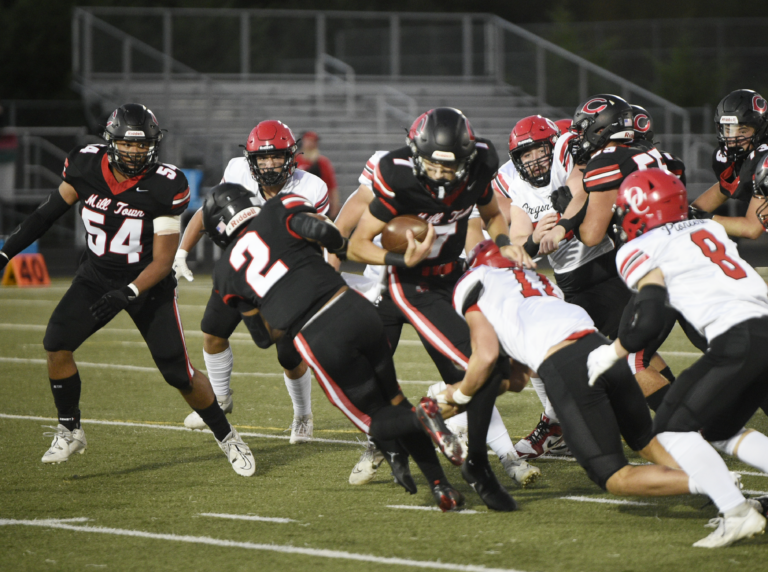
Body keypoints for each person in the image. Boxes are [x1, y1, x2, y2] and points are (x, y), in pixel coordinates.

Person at [0, 104, 254, 476]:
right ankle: (70, 429)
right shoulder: (85, 165)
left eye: (143, 145)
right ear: (110, 141)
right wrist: (6, 251)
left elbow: (163, 262)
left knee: (178, 373)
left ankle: (228, 436)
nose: (136, 152)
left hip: (148, 284)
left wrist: (130, 292)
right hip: (95, 277)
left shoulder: (166, 184)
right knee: (56, 343)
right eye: (128, 144)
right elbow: (44, 215)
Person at [201, 182, 466, 511]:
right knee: (394, 399)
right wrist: (322, 254)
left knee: (377, 420)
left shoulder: (226, 272)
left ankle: (426, 414)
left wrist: (276, 300)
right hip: (355, 308)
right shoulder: (278, 207)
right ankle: (439, 484)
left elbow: (263, 338)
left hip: (319, 335)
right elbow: (321, 231)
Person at [446, 240, 730, 519]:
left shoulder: (475, 281)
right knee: (647, 441)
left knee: (613, 476)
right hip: (603, 350)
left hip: (567, 366)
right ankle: (725, 493)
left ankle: (720, 486)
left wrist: (457, 397)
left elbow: (501, 367)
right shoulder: (540, 281)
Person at [347, 107, 534, 511]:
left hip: (458, 276)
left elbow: (491, 216)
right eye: (432, 165)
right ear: (416, 154)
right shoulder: (396, 174)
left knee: (501, 371)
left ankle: (452, 436)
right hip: (414, 283)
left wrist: (505, 245)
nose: (442, 176)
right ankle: (472, 460)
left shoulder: (481, 162)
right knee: (480, 364)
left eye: (451, 167)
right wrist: (400, 261)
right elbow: (357, 244)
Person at [587, 168, 768, 547]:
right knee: (720, 430)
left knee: (671, 429)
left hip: (736, 338)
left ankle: (736, 513)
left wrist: (612, 352)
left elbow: (648, 319)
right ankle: (736, 510)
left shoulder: (639, 248)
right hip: (763, 324)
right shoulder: (711, 230)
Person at [173, 120, 329, 443]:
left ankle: (302, 415)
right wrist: (182, 250)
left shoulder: (312, 188)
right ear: (250, 160)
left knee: (289, 355)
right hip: (243, 268)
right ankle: (219, 400)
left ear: (291, 156)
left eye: (276, 157)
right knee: (212, 332)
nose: (269, 164)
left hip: (286, 277)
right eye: (262, 158)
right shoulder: (236, 172)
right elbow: (208, 211)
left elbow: (324, 241)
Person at [495, 114, 625, 460]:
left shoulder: (568, 154)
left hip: (606, 264)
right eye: (526, 156)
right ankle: (557, 423)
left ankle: (683, 426)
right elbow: (521, 244)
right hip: (570, 280)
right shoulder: (514, 184)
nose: (535, 162)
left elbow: (582, 188)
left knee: (629, 358)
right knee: (544, 351)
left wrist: (562, 225)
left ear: (553, 146)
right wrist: (537, 237)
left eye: (539, 152)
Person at [538, 94, 676, 411]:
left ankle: (694, 428)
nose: (579, 136)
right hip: (679, 258)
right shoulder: (651, 153)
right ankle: (701, 421)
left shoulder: (606, 162)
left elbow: (591, 235)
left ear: (602, 128)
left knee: (626, 361)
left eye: (584, 129)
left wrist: (566, 218)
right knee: (641, 352)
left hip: (653, 273)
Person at [688, 89, 768, 239]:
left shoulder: (764, 160)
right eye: (729, 129)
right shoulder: (745, 160)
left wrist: (701, 220)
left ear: (760, 130)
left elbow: (751, 228)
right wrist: (683, 214)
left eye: (743, 130)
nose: (733, 138)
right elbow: (723, 189)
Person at [295, 131, 339, 219]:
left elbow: (332, 187)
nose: (311, 144)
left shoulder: (323, 163)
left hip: (318, 205)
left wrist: (335, 208)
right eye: (309, 141)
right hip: (298, 204)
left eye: (314, 141)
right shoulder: (295, 161)